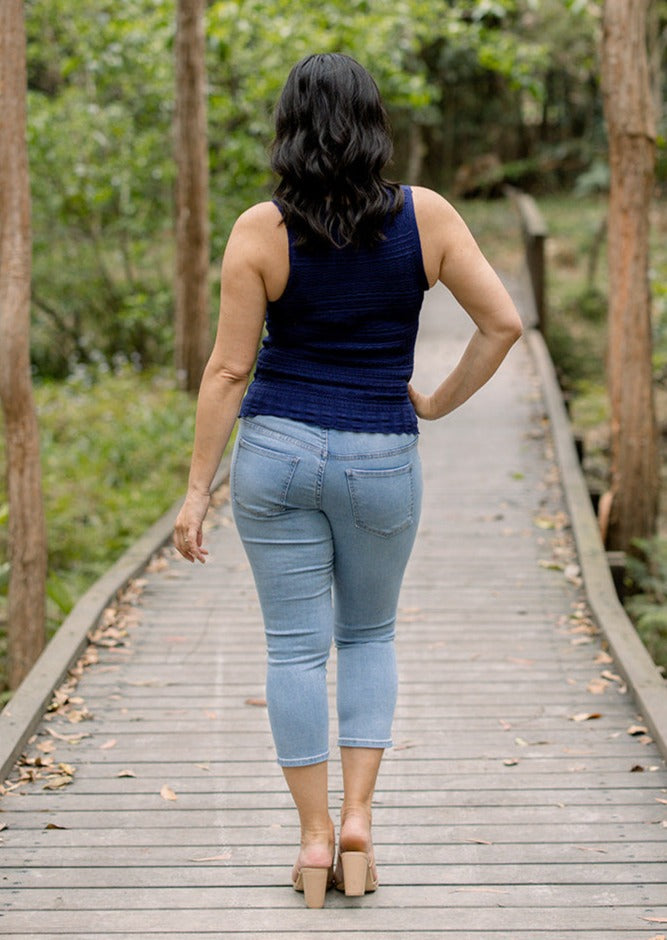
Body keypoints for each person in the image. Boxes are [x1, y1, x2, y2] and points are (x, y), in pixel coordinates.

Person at [173, 52, 523, 909]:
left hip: (278, 455)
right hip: (379, 455)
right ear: (374, 124)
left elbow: (226, 371)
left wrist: (194, 492)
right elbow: (502, 323)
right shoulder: (426, 217)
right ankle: (360, 819)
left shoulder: (259, 229)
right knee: (367, 637)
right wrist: (434, 404)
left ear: (289, 128)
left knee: (294, 648)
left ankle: (312, 838)